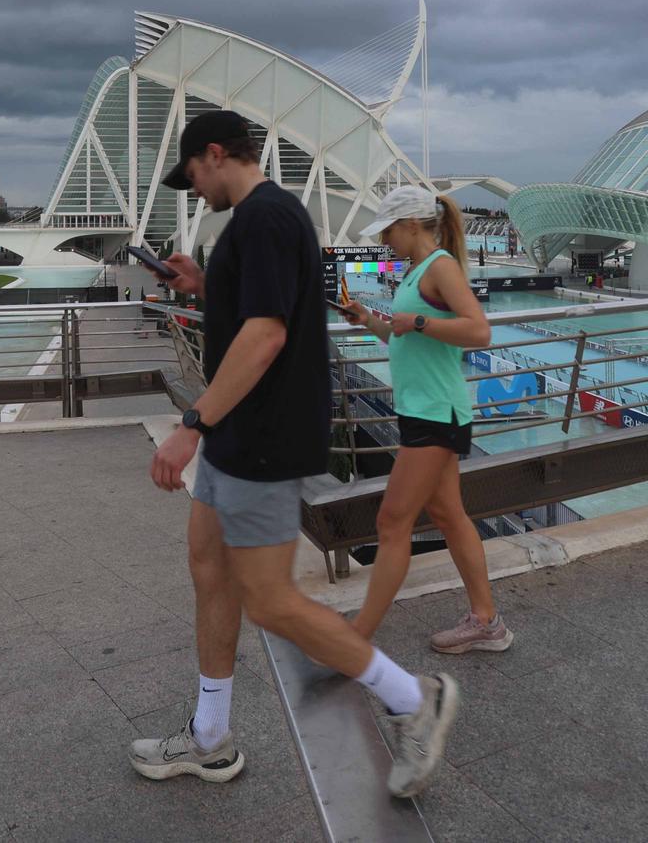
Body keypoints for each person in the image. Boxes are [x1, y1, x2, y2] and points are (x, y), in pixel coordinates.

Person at [132, 111, 461, 798]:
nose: (194, 191)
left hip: (261, 441)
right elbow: (257, 306)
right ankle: (211, 737)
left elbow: (266, 337)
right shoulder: (254, 223)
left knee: (273, 601)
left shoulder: (269, 217)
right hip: (237, 439)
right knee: (209, 565)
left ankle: (413, 698)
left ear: (216, 154)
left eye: (192, 176)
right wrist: (203, 284)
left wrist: (192, 421)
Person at [338, 187, 512, 654]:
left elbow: (479, 331)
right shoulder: (417, 271)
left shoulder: (441, 267)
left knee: (392, 521)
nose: (385, 241)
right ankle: (487, 622)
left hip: (438, 414)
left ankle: (355, 641)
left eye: (389, 231)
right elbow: (407, 338)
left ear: (412, 225)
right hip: (424, 411)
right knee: (449, 515)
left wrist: (417, 323)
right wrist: (370, 321)